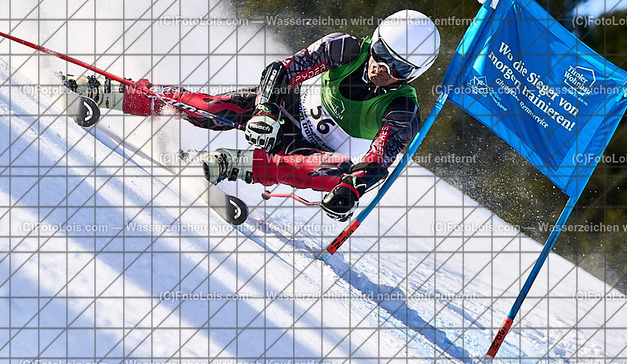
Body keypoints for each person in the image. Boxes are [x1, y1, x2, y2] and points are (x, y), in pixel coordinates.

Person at [62, 10, 440, 221]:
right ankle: (111, 92)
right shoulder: (346, 49)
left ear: (413, 75)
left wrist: (350, 191)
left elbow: (377, 162)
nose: (381, 68)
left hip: (309, 152)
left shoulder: (402, 109)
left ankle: (227, 164)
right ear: (374, 39)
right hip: (285, 109)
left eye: (398, 67)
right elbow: (282, 71)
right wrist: (265, 110)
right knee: (213, 109)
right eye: (381, 53)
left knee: (337, 171)